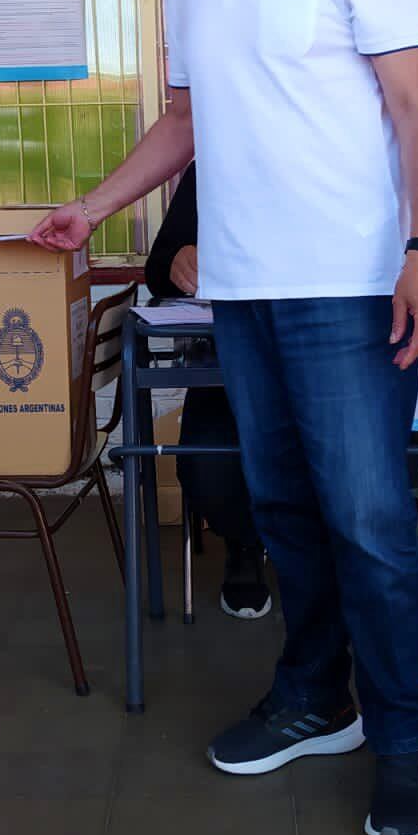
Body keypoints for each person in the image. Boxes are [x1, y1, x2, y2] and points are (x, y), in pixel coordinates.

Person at [31, 0, 418, 835]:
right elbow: (183, 124)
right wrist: (94, 203)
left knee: (368, 523)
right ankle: (318, 697)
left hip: (353, 289)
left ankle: (407, 739)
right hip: (245, 294)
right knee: (282, 513)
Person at [144, 162, 270, 620]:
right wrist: (177, 259)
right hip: (227, 365)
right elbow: (157, 269)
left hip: (321, 361)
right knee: (207, 465)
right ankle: (245, 545)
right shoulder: (216, 166)